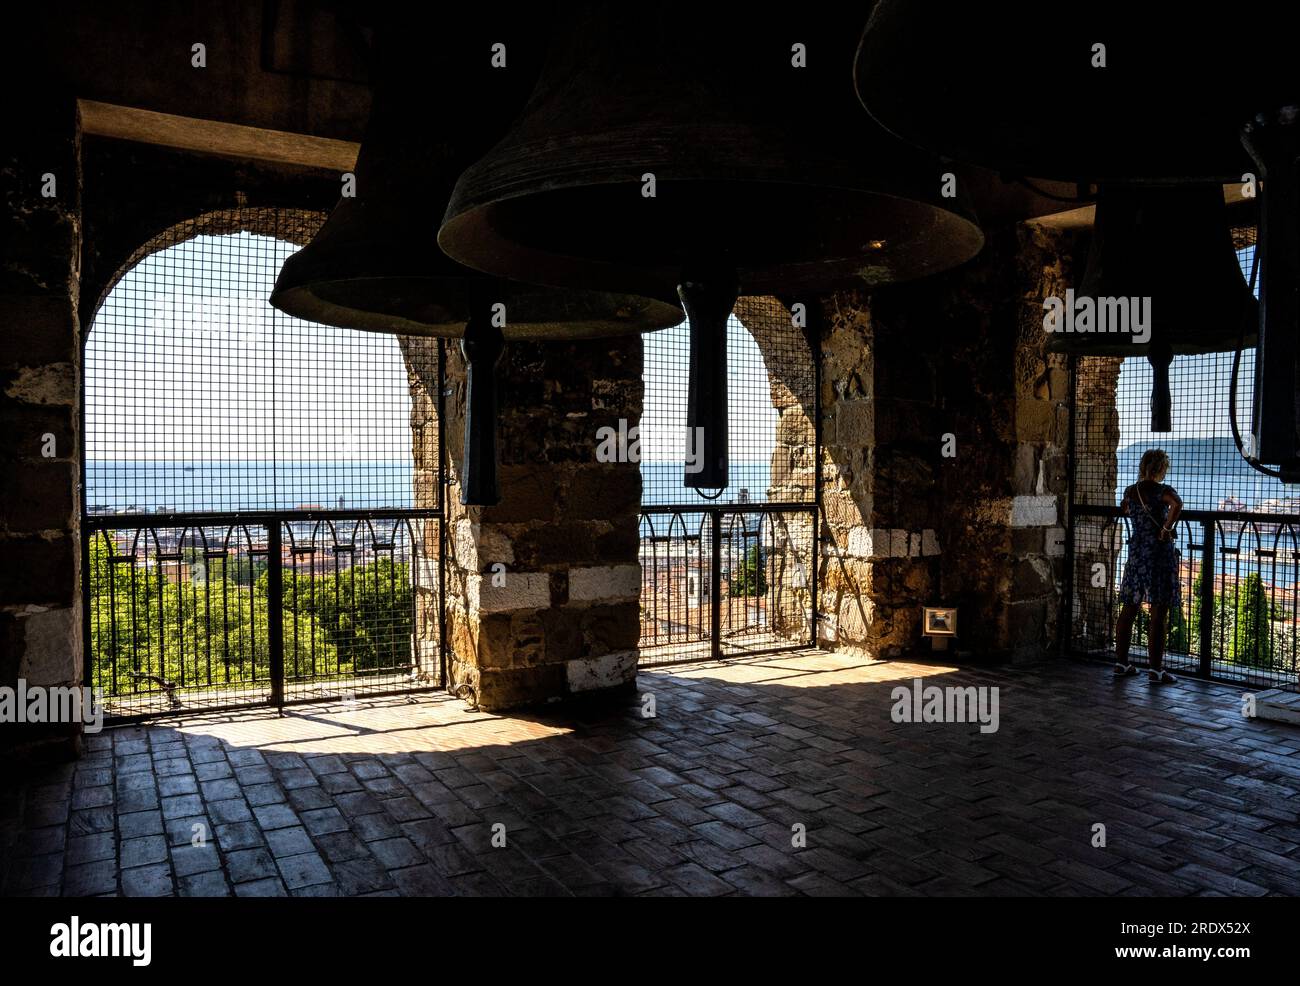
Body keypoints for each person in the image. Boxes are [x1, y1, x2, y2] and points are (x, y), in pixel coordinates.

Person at [1114, 448, 1183, 683]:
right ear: (1161, 468)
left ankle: (1121, 663)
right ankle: (1155, 669)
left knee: (1129, 608)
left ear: (1143, 466)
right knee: (1158, 611)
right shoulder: (1163, 491)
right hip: (1158, 555)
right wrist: (1165, 529)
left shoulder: (1131, 491)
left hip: (1136, 554)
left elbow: (1124, 508)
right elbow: (1177, 503)